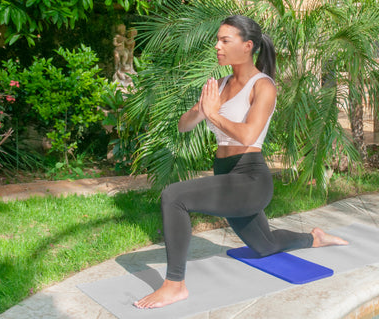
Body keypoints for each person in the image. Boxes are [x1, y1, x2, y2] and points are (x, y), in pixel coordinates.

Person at [134, 15, 348, 310]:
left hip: (250, 180)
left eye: (224, 40)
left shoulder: (264, 87)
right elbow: (184, 125)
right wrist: (201, 111)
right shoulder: (219, 85)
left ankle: (174, 285)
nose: (217, 46)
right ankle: (314, 237)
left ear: (247, 46)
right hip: (226, 176)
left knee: (174, 196)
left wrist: (214, 115)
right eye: (217, 40)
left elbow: (248, 135)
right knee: (265, 246)